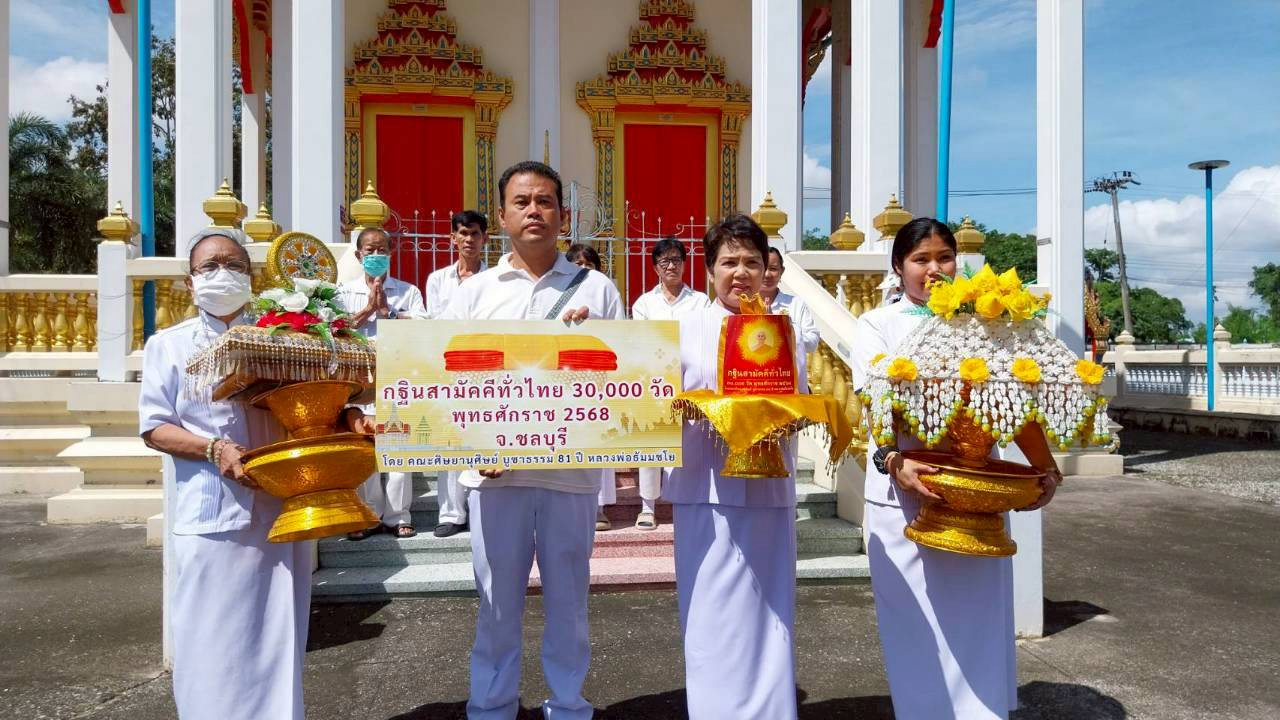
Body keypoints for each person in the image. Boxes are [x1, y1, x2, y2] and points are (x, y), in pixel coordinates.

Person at [348, 161, 623, 719]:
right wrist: (471, 446)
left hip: (571, 477)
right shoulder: (474, 294)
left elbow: (619, 381)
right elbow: (444, 379)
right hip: (494, 478)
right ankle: (492, 704)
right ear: (501, 216)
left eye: (545, 201)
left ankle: (568, 703)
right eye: (521, 202)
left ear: (562, 214)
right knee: (497, 602)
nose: (533, 211)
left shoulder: (598, 288)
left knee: (569, 603)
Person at [849, 217, 1064, 720]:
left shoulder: (988, 323)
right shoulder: (879, 325)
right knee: (916, 626)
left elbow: (1020, 401)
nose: (934, 269)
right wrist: (893, 460)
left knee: (978, 623)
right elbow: (872, 406)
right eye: (920, 260)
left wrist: (1045, 467)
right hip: (908, 493)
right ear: (899, 267)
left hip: (978, 493)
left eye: (943, 257)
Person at [139, 228, 311, 719]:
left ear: (252, 278)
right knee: (209, 643)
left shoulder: (287, 340)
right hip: (210, 515)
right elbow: (154, 428)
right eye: (210, 266)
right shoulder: (168, 347)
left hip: (278, 509)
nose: (223, 273)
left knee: (277, 638)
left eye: (235, 265)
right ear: (190, 281)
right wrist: (212, 447)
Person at [662, 214, 803, 719]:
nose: (739, 272)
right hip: (701, 486)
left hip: (766, 488)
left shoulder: (780, 329)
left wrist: (776, 418)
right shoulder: (681, 327)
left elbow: (800, 401)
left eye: (751, 261)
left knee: (767, 610)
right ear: (708, 270)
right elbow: (656, 394)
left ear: (767, 268)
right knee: (709, 612)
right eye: (728, 262)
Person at [337, 227, 428, 540]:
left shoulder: (408, 291)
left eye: (381, 250)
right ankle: (368, 515)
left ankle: (398, 516)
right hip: (359, 381)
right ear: (359, 255)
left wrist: (388, 312)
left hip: (397, 377)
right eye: (369, 250)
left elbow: (423, 328)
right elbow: (333, 330)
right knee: (365, 449)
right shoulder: (343, 292)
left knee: (398, 450)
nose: (375, 256)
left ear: (390, 254)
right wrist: (368, 310)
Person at [630, 237, 709, 530]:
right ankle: (647, 507)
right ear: (655, 268)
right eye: (665, 261)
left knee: (688, 443)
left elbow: (703, 338)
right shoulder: (644, 304)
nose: (671, 266)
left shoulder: (700, 301)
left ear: (685, 264)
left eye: (676, 260)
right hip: (655, 381)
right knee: (652, 442)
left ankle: (685, 502)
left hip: (691, 380)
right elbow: (641, 341)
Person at [424, 211, 490, 537]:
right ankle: (450, 513)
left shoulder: (495, 281)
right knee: (448, 440)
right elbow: (435, 323)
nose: (468, 239)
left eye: (475, 233)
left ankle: (478, 505)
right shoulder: (437, 280)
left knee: (480, 437)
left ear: (485, 238)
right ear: (453, 238)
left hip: (484, 368)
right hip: (448, 366)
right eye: (462, 233)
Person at [565, 243, 619, 531]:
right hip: (561, 376)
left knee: (600, 441)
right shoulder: (555, 289)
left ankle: (600, 506)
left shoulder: (604, 288)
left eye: (588, 263)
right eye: (576, 263)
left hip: (597, 375)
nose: (582, 268)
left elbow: (618, 327)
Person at [761, 247, 820, 355]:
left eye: (773, 269)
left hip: (786, 370)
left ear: (782, 271)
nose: (767, 274)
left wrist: (781, 328)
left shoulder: (795, 304)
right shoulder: (742, 303)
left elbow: (813, 342)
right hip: (753, 371)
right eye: (762, 268)